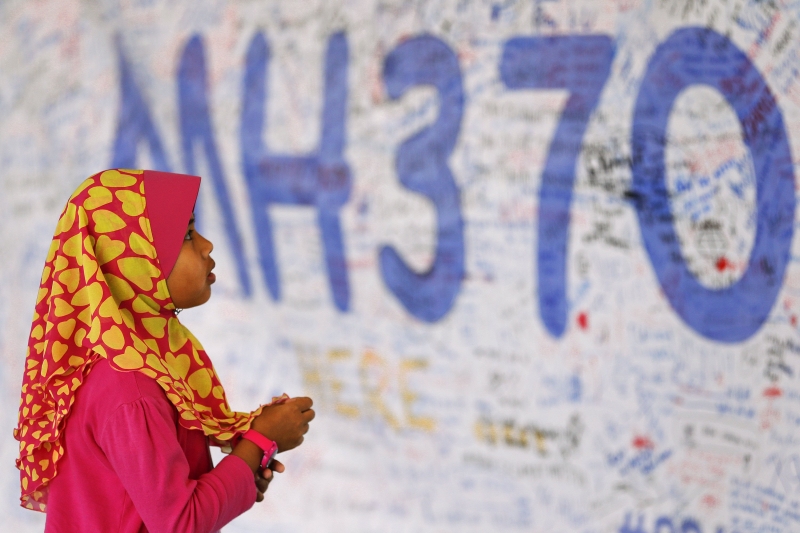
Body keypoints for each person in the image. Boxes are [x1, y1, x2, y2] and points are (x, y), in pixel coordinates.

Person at [14, 169, 315, 532]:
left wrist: (244, 467)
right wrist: (260, 440)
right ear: (134, 261)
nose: (207, 245)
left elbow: (166, 502)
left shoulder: (140, 362)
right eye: (187, 234)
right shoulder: (130, 389)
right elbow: (180, 522)